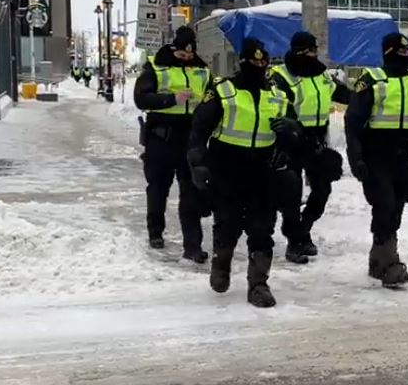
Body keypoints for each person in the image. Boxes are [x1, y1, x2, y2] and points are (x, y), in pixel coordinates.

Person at [188, 37, 301, 308]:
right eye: (254, 62)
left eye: (263, 63)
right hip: (227, 170)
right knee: (227, 226)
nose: (259, 67)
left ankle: (258, 284)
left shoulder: (277, 95)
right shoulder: (223, 90)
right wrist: (198, 163)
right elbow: (199, 130)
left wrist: (291, 131)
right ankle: (221, 264)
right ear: (242, 62)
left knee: (262, 230)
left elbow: (295, 132)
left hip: (263, 172)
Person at [344, 33, 408, 288]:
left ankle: (380, 257)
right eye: (400, 51)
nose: (405, 55)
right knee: (385, 203)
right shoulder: (372, 81)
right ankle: (388, 263)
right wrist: (356, 157)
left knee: (396, 204)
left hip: (404, 157)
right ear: (388, 52)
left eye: (407, 51)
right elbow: (353, 121)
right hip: (376, 155)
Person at [269, 32, 350, 263]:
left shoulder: (321, 74)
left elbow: (340, 93)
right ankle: (295, 241)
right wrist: (296, 132)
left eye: (314, 50)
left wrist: (364, 98)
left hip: (317, 137)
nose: (313, 54)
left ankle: (304, 228)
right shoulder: (280, 76)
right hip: (291, 139)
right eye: (309, 50)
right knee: (292, 192)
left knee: (322, 189)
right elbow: (281, 108)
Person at [133, 26, 212, 261]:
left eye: (189, 55)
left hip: (190, 139)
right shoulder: (156, 67)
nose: (186, 58)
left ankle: (193, 246)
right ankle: (155, 232)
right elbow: (141, 98)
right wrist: (171, 99)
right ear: (173, 49)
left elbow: (212, 97)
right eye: (181, 54)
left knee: (191, 192)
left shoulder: (202, 71)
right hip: (161, 139)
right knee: (158, 188)